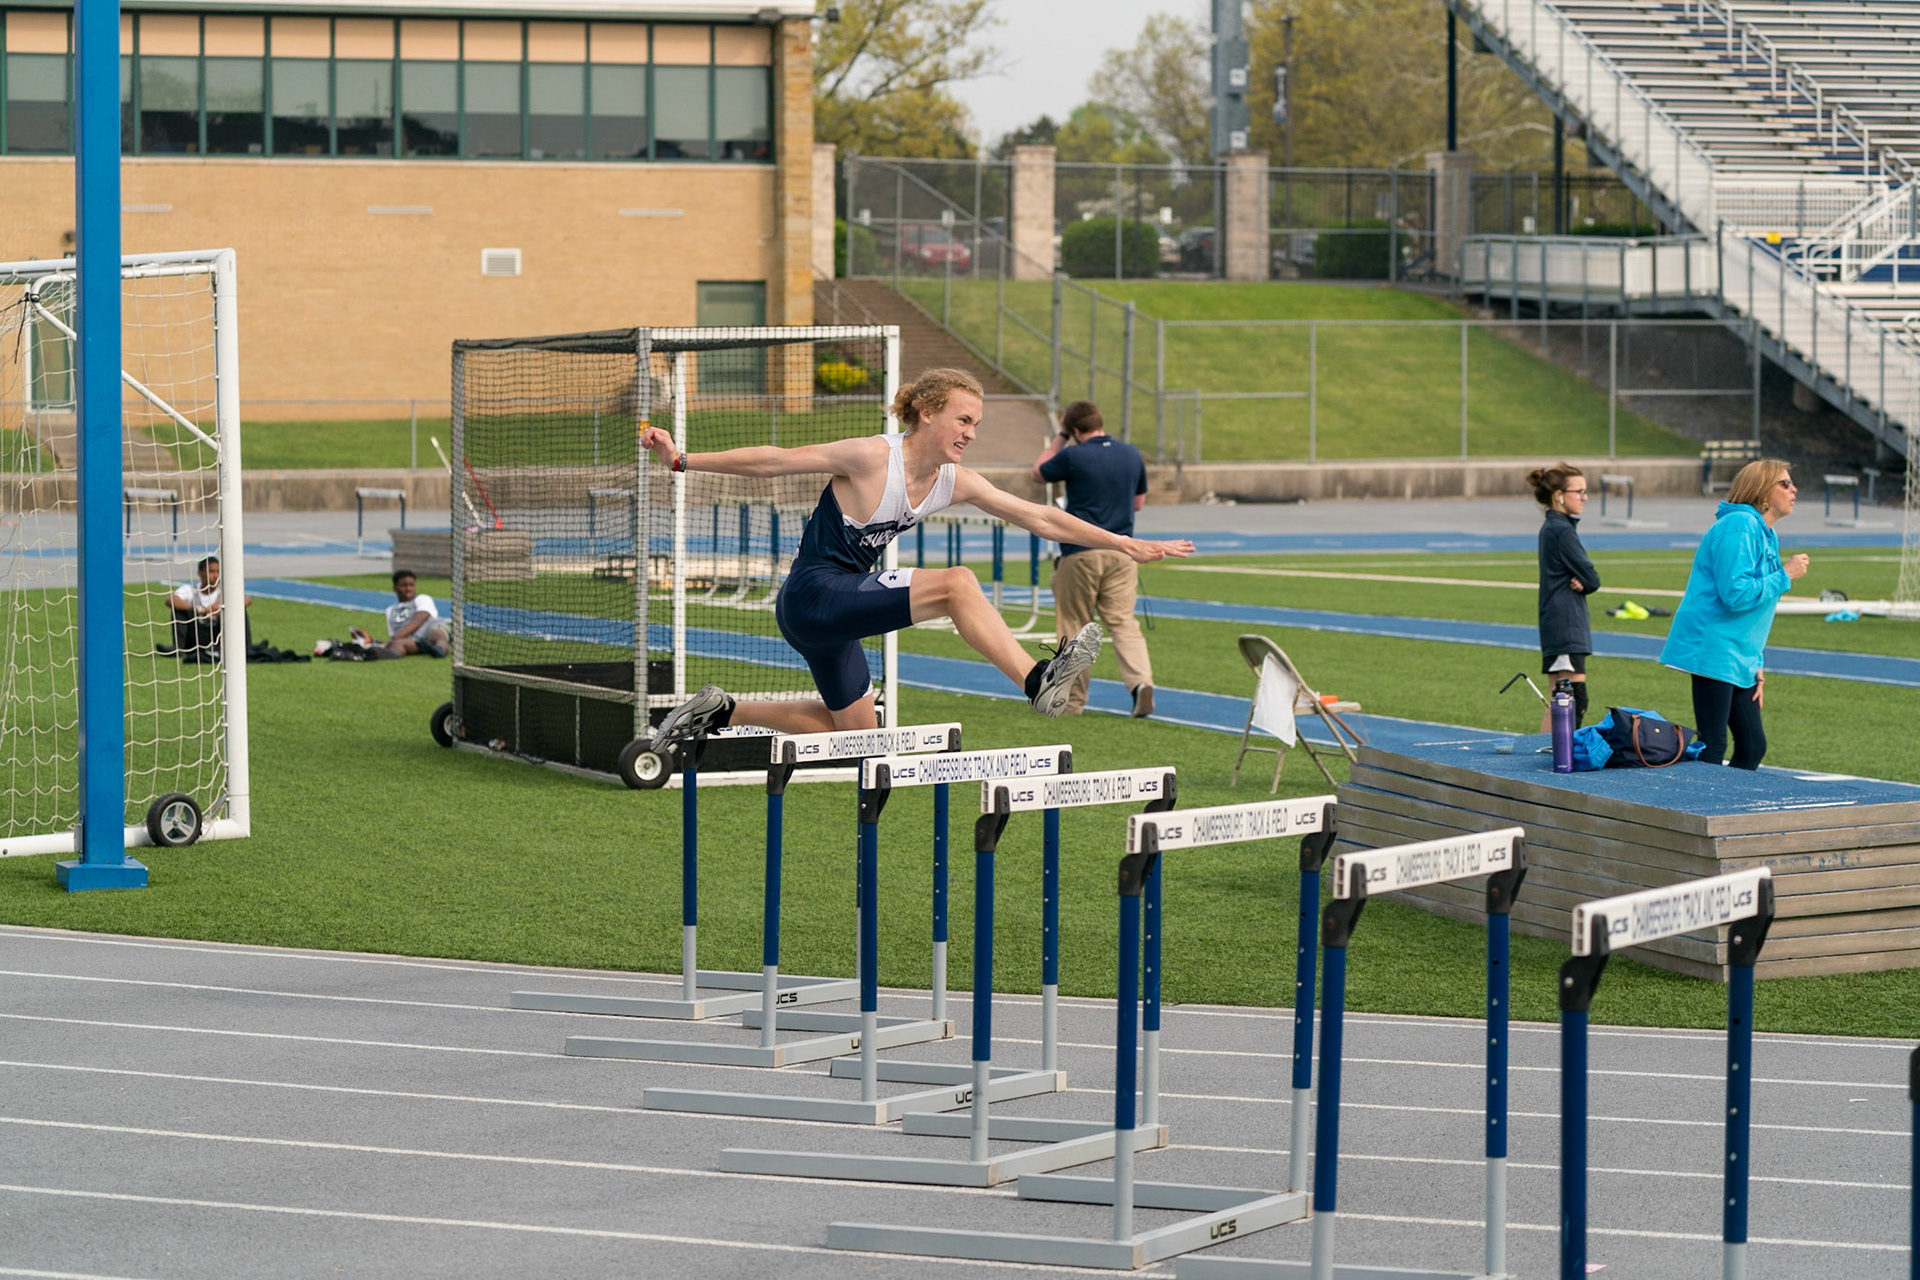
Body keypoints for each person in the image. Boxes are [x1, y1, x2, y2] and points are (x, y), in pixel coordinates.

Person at [642, 368, 1195, 747]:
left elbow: (1042, 517)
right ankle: (1036, 681)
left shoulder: (954, 480)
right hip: (812, 595)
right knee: (957, 584)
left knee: (856, 740)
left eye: (976, 424)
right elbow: (773, 460)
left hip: (839, 617)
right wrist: (682, 459)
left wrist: (1124, 542)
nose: (971, 434)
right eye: (963, 420)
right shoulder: (870, 457)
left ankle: (722, 711)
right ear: (927, 413)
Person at [1659, 459, 1808, 769]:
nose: (1794, 489)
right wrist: (1785, 574)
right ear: (1762, 492)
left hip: (1740, 653)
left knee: (1752, 745)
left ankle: (1727, 799)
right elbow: (1736, 595)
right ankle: (1698, 798)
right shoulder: (1739, 525)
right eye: (1784, 483)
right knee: (1713, 744)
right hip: (1715, 646)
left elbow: (1757, 609)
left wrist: (1756, 662)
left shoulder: (1766, 532)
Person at [1032, 399, 1155, 717]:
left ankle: (1072, 701)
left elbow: (1038, 472)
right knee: (1123, 623)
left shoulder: (1072, 455)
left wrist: (1060, 438)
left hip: (1081, 552)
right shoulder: (1131, 454)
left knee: (1074, 626)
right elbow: (1138, 504)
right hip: (1122, 551)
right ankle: (1141, 683)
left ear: (1074, 430)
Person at [1529, 463, 1600, 730]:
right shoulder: (1561, 531)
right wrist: (1585, 581)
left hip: (1557, 623)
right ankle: (1560, 753)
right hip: (1566, 625)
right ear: (1559, 495)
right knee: (1572, 702)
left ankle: (1546, 752)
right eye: (1579, 492)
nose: (1585, 497)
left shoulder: (1553, 527)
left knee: (1558, 702)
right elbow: (1592, 578)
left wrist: (1584, 580)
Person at [326, 570, 450, 660]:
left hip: (429, 630)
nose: (408, 589)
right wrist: (372, 641)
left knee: (437, 634)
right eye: (404, 585)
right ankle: (368, 655)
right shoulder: (390, 611)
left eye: (411, 585)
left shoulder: (422, 598)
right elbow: (394, 638)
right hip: (414, 641)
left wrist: (396, 638)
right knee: (397, 645)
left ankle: (439, 651)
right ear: (394, 588)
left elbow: (419, 620)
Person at [168, 555, 250, 662]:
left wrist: (221, 606)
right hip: (196, 636)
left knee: (240, 611)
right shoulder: (190, 589)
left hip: (218, 634)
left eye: (218, 572)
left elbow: (247, 600)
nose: (216, 575)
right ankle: (178, 649)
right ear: (200, 573)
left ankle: (245, 649)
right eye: (211, 572)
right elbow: (170, 599)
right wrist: (200, 610)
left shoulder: (225, 591)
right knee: (179, 611)